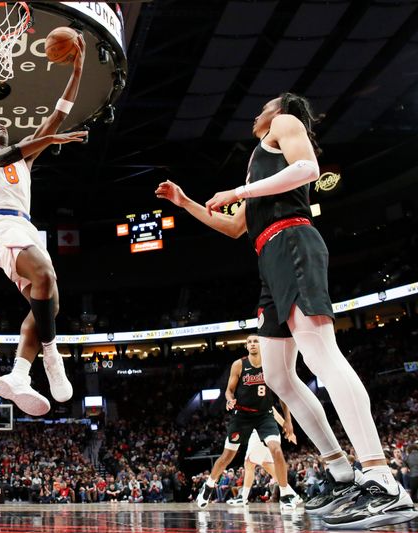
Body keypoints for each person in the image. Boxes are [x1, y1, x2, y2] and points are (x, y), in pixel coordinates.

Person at [156, 93, 416, 529]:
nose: (259, 110)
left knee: (321, 354)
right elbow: (235, 226)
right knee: (277, 375)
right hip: (268, 256)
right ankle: (341, 473)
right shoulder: (259, 161)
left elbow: (309, 170)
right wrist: (185, 204)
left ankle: (381, 477)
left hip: (293, 241)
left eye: (266, 104)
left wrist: (240, 190)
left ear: (281, 109)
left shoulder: (285, 124)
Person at [0, 35, 88, 416]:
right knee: (45, 275)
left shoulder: (24, 159)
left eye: (5, 122)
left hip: (25, 227)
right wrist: (46, 140)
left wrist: (78, 69)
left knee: (49, 301)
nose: (0, 121)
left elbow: (59, 113)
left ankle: (19, 373)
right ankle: (52, 356)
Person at [195, 335, 299, 511]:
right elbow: (229, 390)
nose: (253, 344)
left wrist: (288, 421)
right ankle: (209, 485)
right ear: (246, 346)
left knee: (276, 450)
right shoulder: (239, 365)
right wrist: (229, 400)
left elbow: (282, 395)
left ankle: (286, 494)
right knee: (227, 456)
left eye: (256, 341)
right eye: (249, 341)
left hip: (264, 416)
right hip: (242, 416)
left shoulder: (271, 364)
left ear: (261, 344)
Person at [226, 427, 300, 506]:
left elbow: (274, 414)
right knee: (267, 465)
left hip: (259, 432)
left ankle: (243, 497)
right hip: (268, 433)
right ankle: (292, 494)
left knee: (249, 463)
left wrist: (290, 431)